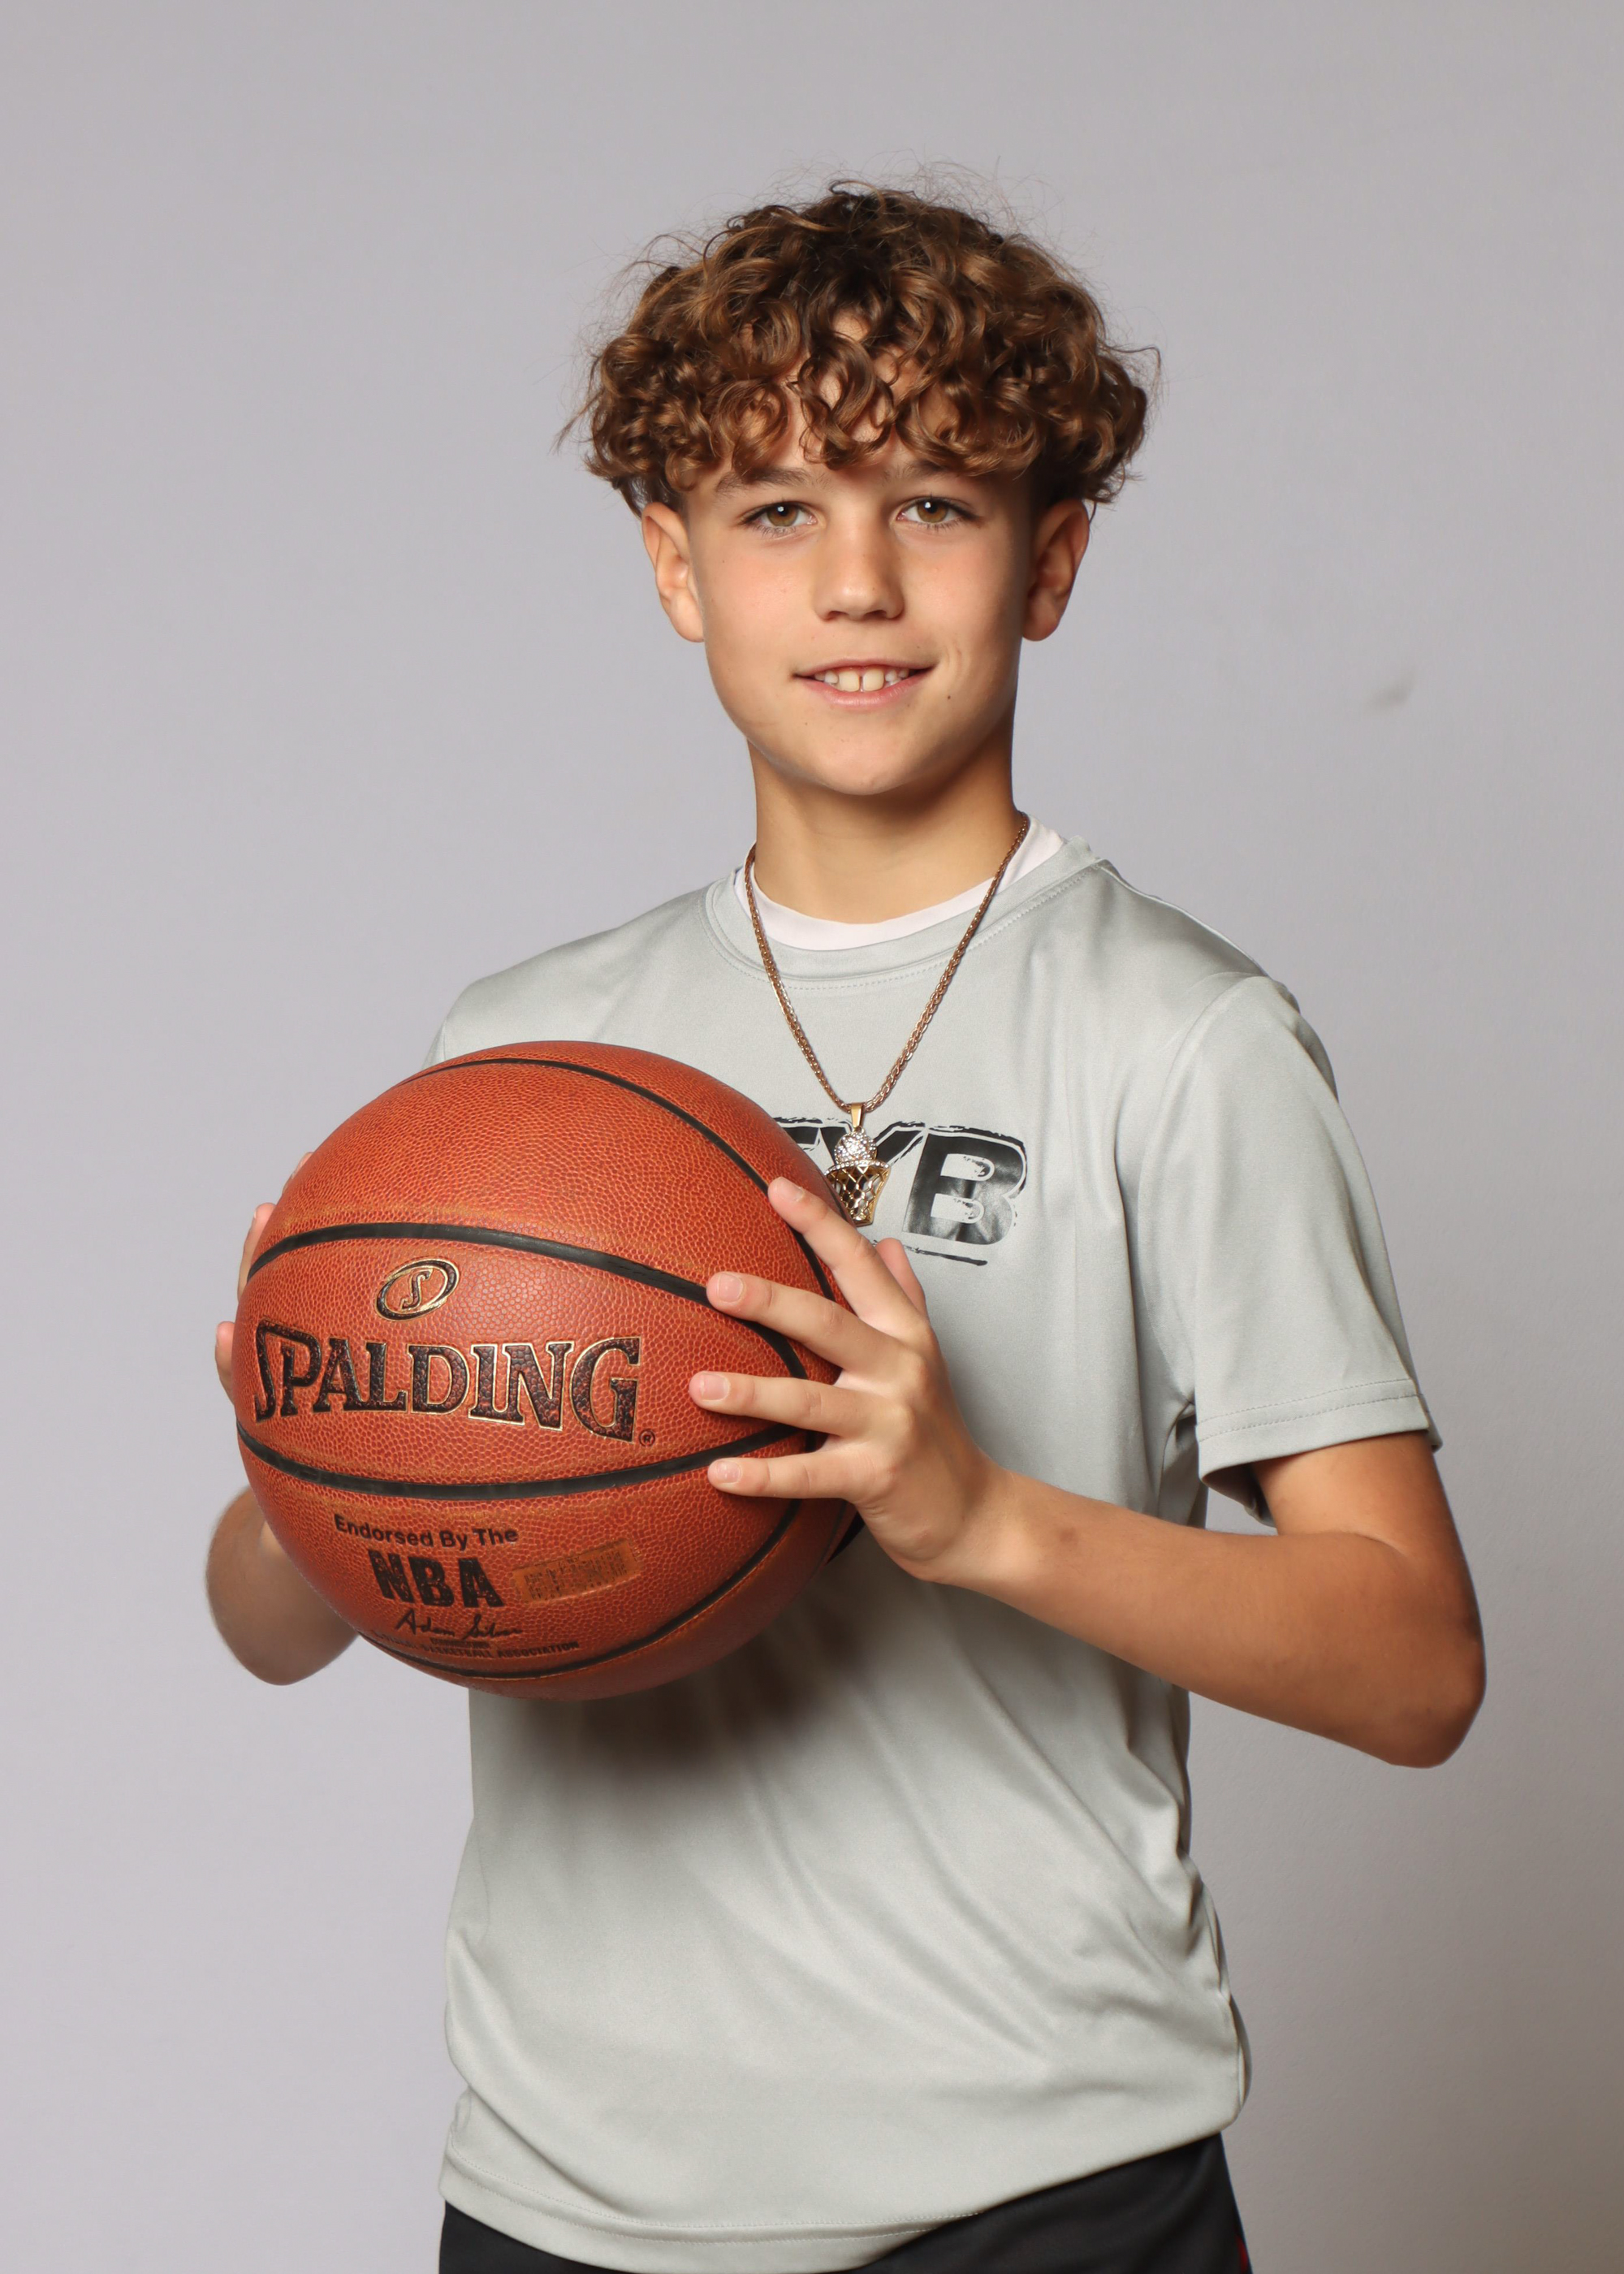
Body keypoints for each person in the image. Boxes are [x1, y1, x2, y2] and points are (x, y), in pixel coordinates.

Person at [206, 184, 1485, 2274]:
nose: (857, 579)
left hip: (1037, 2187)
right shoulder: (525, 1051)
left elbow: (1414, 1661)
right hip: (561, 2193)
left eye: (938, 504)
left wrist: (979, 1514)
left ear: (1049, 560)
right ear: (673, 564)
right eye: (777, 507)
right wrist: (309, 1443)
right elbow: (268, 1620)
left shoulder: (1182, 1036)